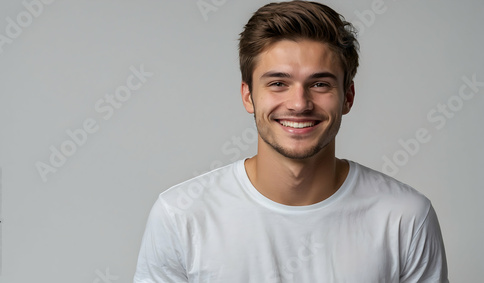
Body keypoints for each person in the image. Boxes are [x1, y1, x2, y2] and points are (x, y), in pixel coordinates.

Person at [134, 1, 449, 282]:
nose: (299, 103)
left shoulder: (405, 218)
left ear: (348, 97)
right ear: (248, 96)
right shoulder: (181, 215)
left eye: (320, 83)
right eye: (278, 83)